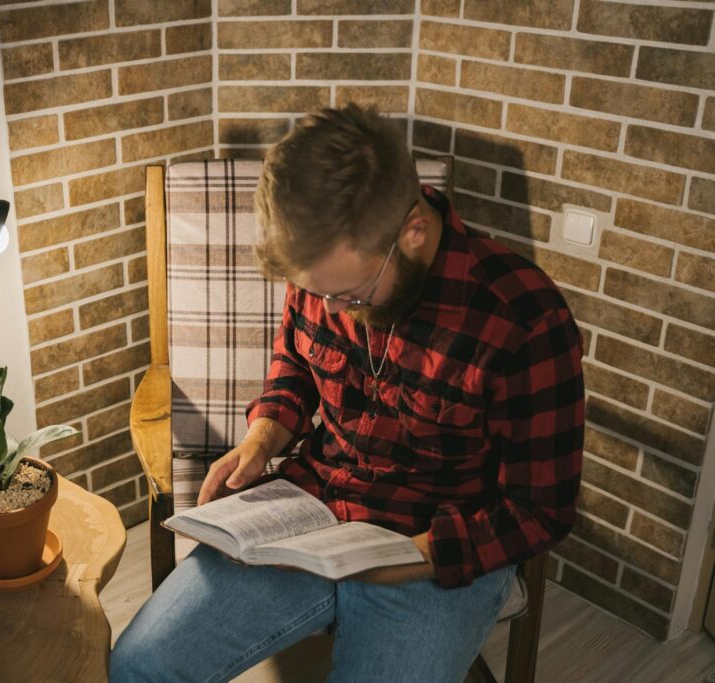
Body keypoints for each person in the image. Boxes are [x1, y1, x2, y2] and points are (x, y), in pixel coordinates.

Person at [109, 103, 585, 683]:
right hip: (311, 509)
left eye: (350, 296)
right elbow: (295, 364)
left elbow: (540, 511)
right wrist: (262, 439)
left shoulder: (524, 320)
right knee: (139, 665)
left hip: (436, 546)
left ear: (411, 233)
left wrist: (419, 556)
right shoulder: (325, 267)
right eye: (318, 293)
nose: (334, 310)